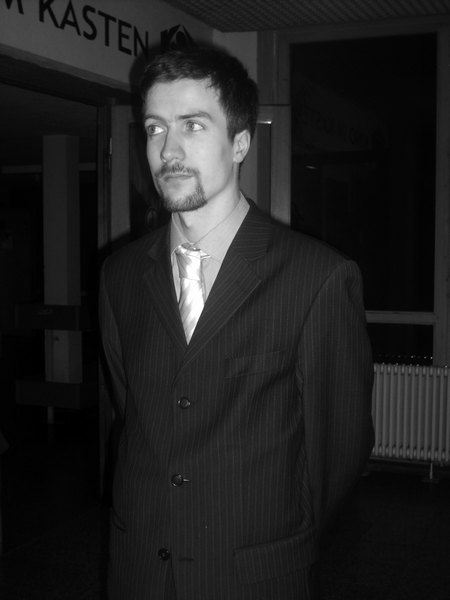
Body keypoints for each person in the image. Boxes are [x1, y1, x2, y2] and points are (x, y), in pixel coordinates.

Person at [99, 45, 374, 600]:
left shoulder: (316, 277)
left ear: (241, 142)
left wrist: (278, 540)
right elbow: (135, 407)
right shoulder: (120, 275)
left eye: (193, 125)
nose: (168, 149)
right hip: (139, 568)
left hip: (253, 576)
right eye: (154, 128)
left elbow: (338, 450)